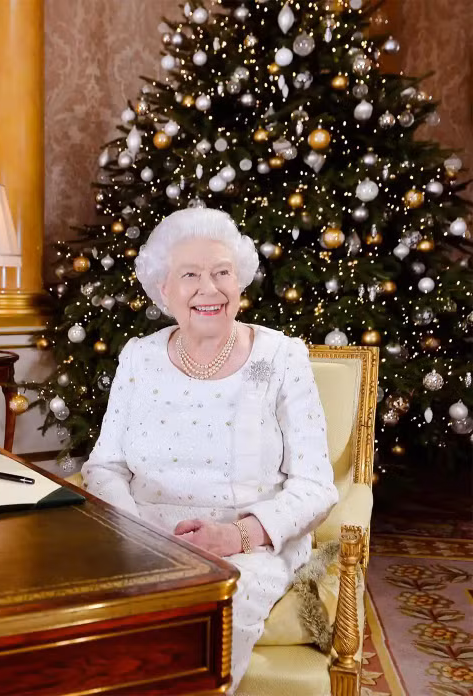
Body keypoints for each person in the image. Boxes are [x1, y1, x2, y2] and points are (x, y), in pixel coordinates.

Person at [81, 208, 338, 693]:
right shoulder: (139, 356)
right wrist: (133, 532)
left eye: (222, 273)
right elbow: (106, 465)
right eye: (190, 275)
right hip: (141, 535)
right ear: (163, 290)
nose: (209, 289)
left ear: (240, 283)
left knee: (204, 620)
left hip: (245, 547)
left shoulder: (281, 358)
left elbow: (315, 485)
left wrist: (238, 536)